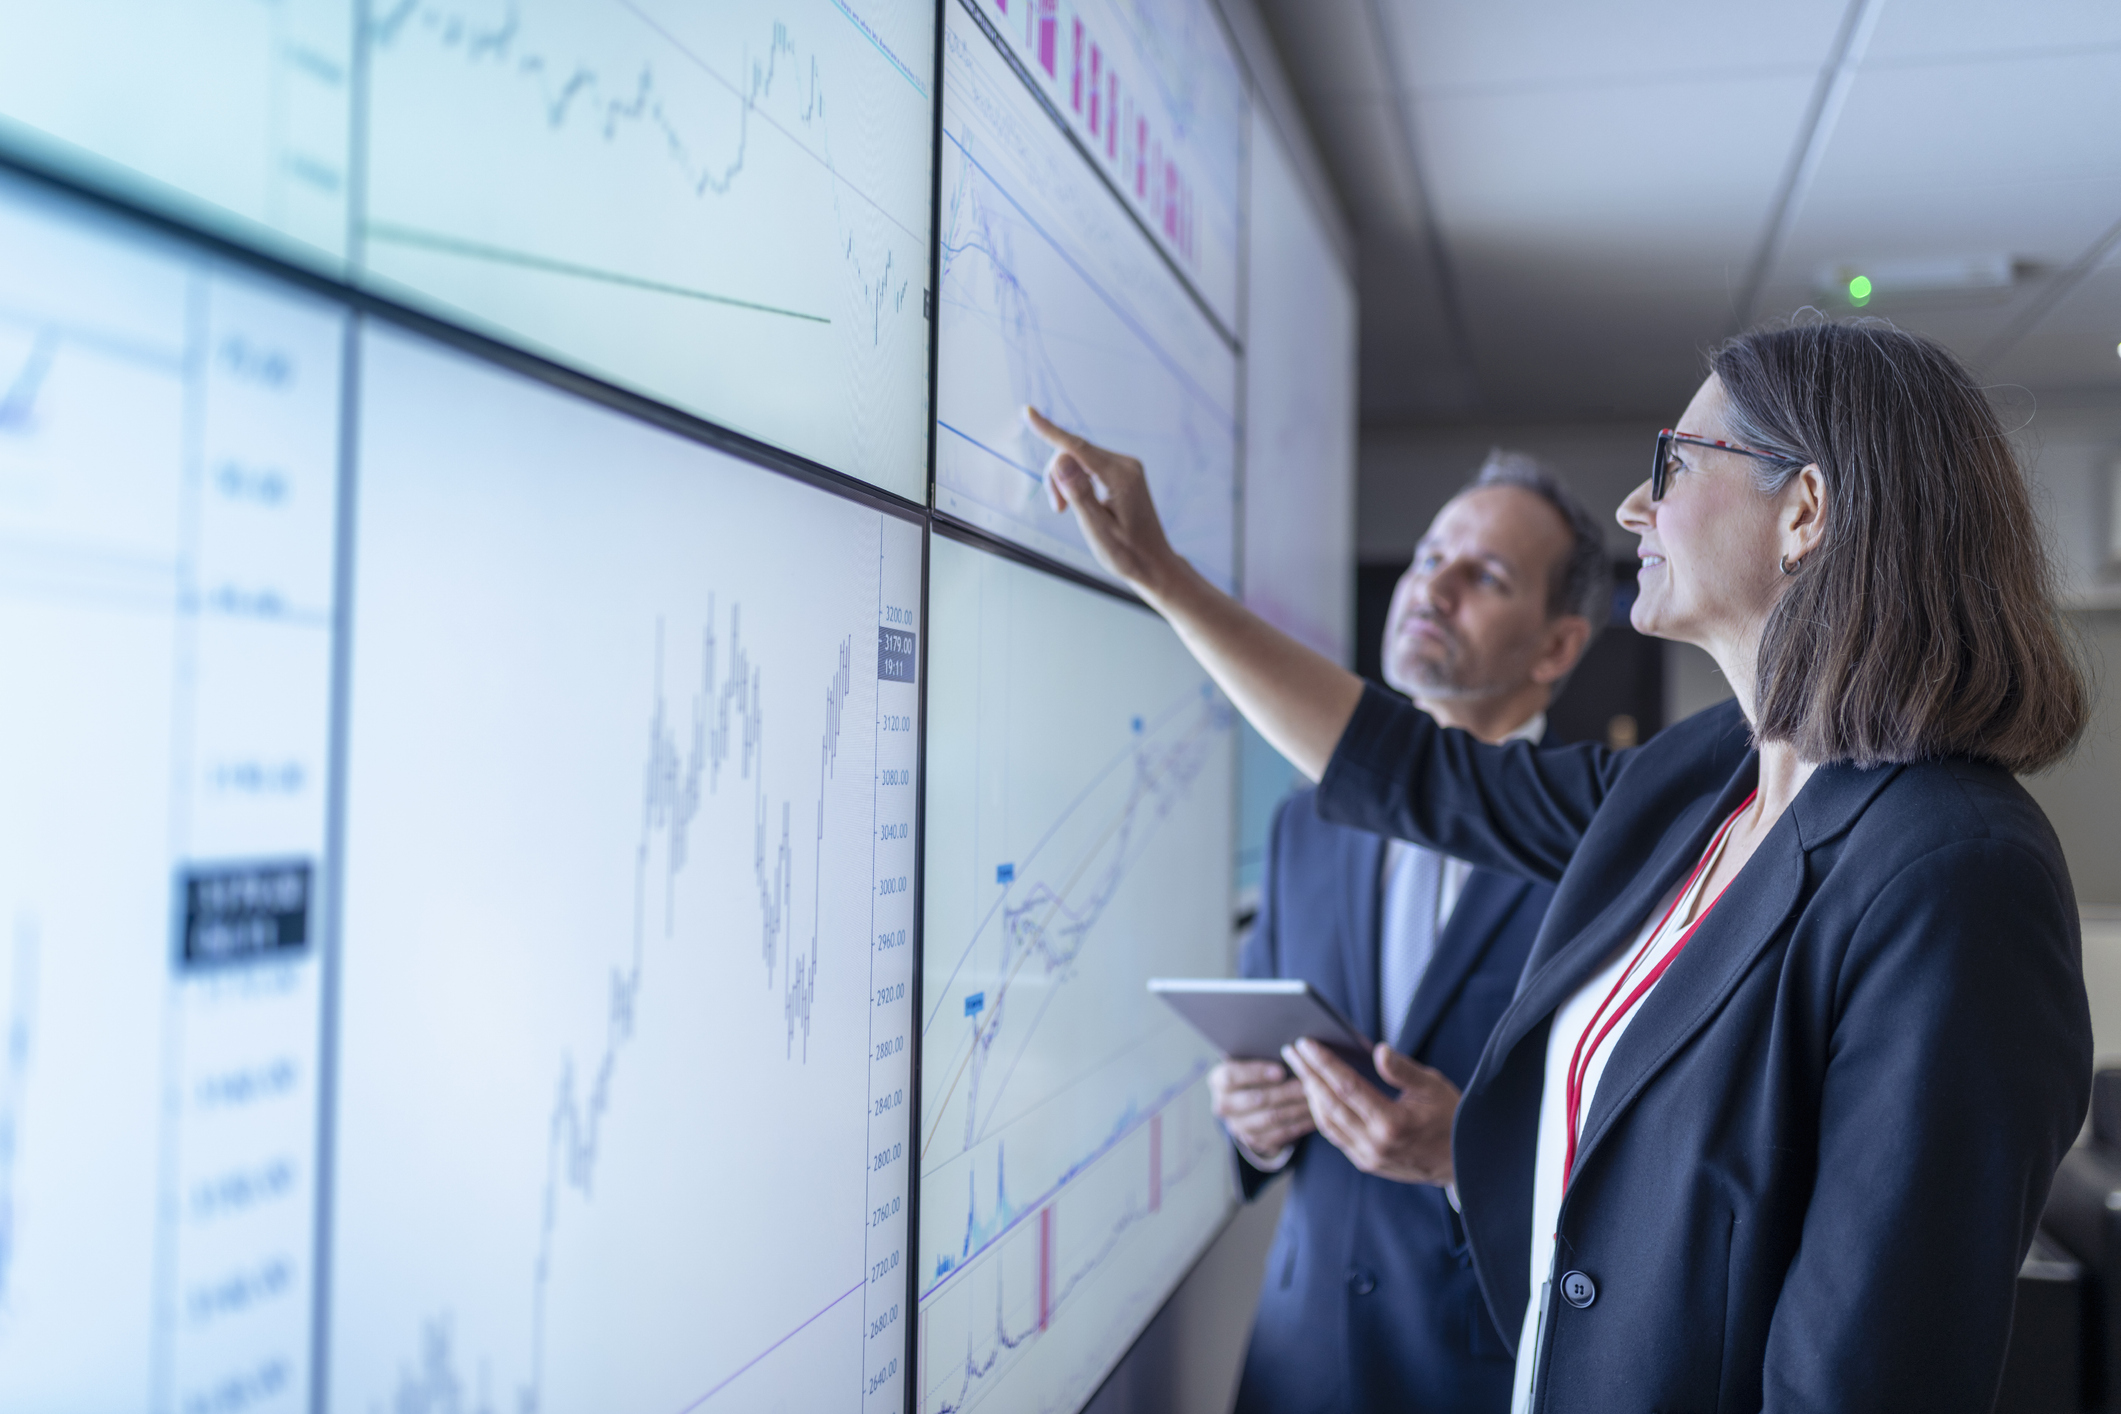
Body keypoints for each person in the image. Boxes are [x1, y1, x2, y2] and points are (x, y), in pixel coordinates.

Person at [1028, 319, 2092, 1411]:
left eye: (1672, 465)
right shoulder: (1696, 781)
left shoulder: (1956, 871)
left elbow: (1862, 1380)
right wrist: (1160, 575)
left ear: (1806, 511)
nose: (1636, 506)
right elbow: (1408, 773)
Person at [1216, 451, 1607, 1414]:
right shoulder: (1302, 822)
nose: (1432, 585)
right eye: (1431, 554)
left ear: (1556, 649)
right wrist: (1251, 1121)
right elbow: (1266, 1041)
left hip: (1478, 1374)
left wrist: (1462, 1153)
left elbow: (1635, 1151)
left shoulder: (1606, 852)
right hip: (1294, 1368)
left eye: (1486, 576)